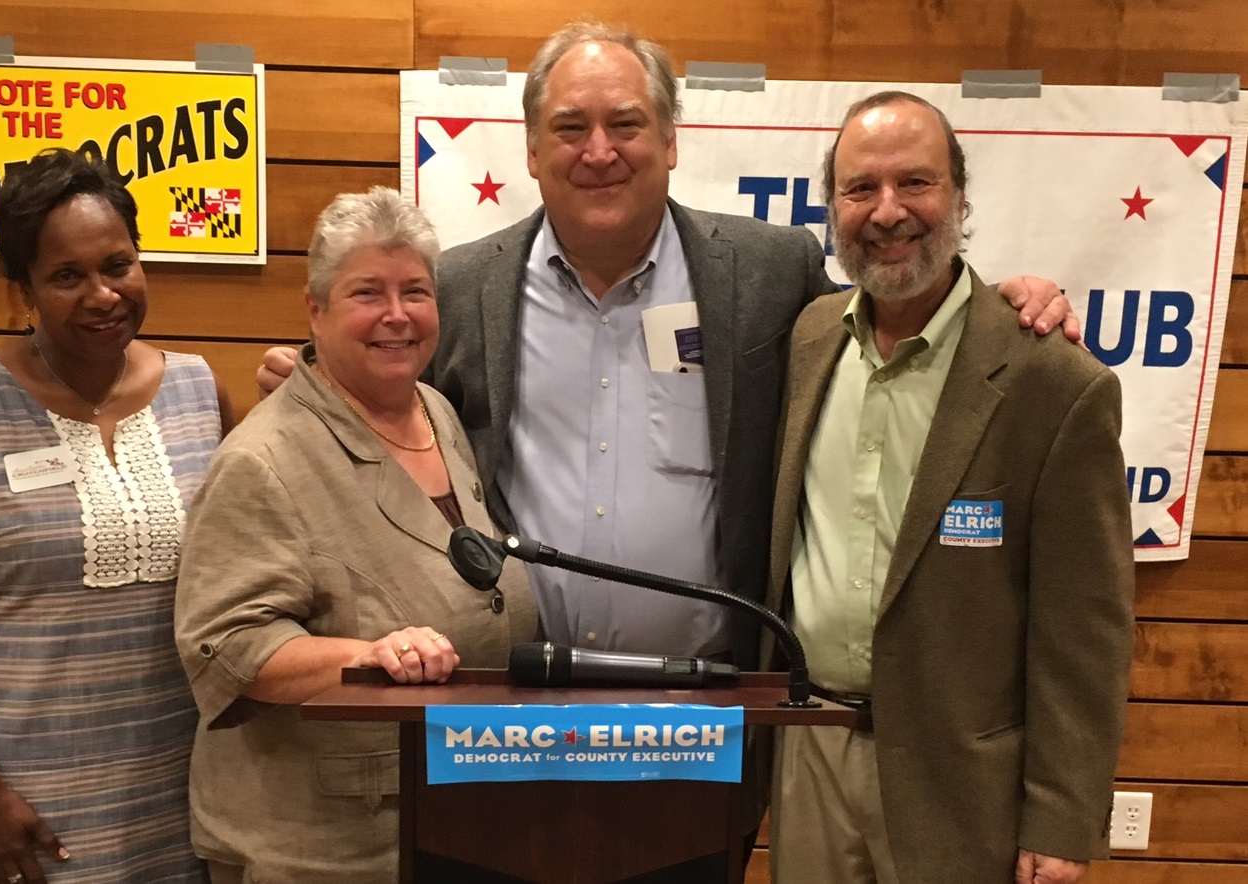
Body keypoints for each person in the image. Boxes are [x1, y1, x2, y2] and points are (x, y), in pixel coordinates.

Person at [255, 22, 1079, 880]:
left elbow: (895, 309)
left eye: (627, 123)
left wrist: (1013, 296)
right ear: (532, 150)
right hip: (504, 716)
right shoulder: (462, 286)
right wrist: (303, 373)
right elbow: (377, 389)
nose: (600, 151)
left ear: (673, 139)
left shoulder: (768, 269)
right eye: (571, 128)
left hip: (698, 722)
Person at [762, 91, 1135, 884]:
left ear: (961, 198)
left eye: (916, 183)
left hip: (964, 783)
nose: (887, 211)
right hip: (811, 754)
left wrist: (1063, 818)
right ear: (833, 208)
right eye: (861, 189)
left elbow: (1084, 629)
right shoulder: (809, 337)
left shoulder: (1052, 381)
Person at [173, 186, 537, 883]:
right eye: (368, 292)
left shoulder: (433, 409)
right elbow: (226, 644)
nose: (397, 316)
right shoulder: (262, 460)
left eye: (416, 292)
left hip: (446, 824)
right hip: (321, 846)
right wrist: (370, 653)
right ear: (315, 309)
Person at [0, 148, 235, 884]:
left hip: (170, 797)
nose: (103, 295)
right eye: (67, 277)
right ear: (24, 289)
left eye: (118, 264)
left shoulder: (201, 393)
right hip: (18, 805)